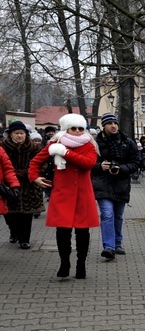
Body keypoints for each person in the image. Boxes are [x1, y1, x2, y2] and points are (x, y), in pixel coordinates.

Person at [29, 114, 99, 279]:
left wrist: (65, 153)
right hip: (62, 194)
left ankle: (81, 264)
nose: (76, 131)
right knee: (63, 232)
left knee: (83, 232)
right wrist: (35, 177)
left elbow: (88, 164)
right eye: (73, 128)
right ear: (66, 129)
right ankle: (64, 263)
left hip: (83, 195)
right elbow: (35, 162)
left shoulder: (89, 145)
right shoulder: (54, 144)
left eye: (80, 128)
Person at [91, 113, 140, 259]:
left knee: (118, 215)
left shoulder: (127, 142)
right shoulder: (95, 142)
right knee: (107, 214)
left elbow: (136, 163)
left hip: (121, 183)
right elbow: (87, 163)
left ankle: (118, 242)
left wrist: (121, 168)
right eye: (109, 123)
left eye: (115, 123)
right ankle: (109, 247)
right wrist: (100, 166)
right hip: (102, 183)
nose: (113, 125)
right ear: (104, 126)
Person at [1, 121, 43, 249]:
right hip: (9, 184)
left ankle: (25, 239)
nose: (19, 136)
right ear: (10, 134)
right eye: (16, 133)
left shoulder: (33, 147)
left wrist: (29, 173)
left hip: (28, 184)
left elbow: (42, 162)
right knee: (10, 214)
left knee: (27, 214)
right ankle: (14, 232)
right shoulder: (3, 147)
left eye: (22, 133)